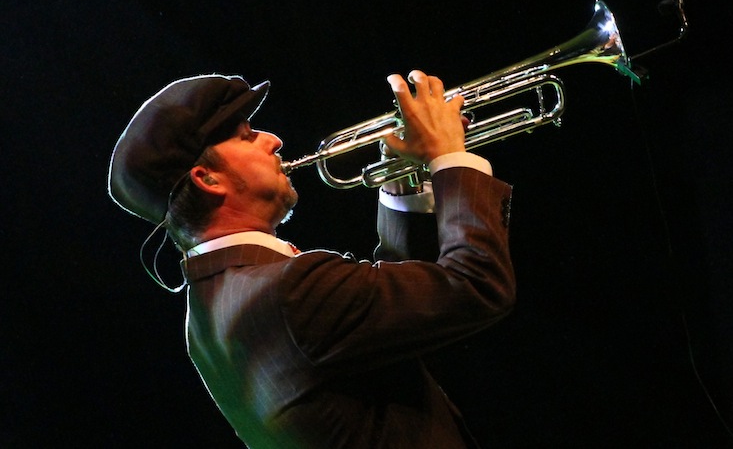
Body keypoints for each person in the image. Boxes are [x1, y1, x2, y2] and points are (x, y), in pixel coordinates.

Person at [108, 70, 515, 449]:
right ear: (207, 179)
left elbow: (395, 317)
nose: (274, 140)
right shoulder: (287, 290)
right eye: (247, 136)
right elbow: (476, 285)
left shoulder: (210, 308)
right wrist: (449, 157)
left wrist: (402, 180)